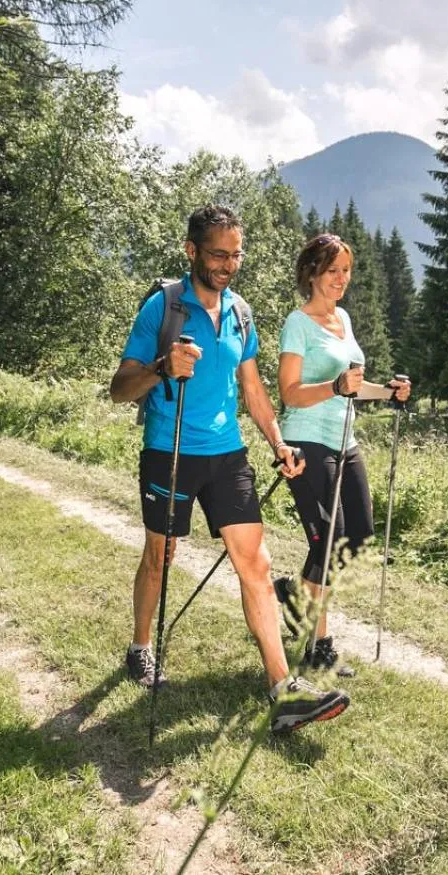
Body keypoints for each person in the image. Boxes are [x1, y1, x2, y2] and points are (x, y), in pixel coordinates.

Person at [109, 205, 351, 734]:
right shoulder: (162, 307)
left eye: (235, 254)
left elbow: (254, 389)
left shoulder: (241, 312)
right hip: (169, 452)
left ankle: (283, 691)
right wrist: (160, 367)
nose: (227, 264)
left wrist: (279, 441)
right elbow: (119, 387)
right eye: (218, 253)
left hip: (227, 453)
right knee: (161, 556)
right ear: (191, 250)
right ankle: (141, 644)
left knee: (257, 565)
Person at [275, 233, 411, 677]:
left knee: (360, 536)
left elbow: (352, 386)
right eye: (332, 270)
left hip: (345, 440)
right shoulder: (297, 324)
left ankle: (296, 595)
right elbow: (290, 394)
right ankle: (320, 645)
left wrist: (388, 394)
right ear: (312, 272)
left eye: (346, 270)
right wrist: (335, 387)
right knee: (330, 542)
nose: (341, 278)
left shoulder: (344, 319)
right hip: (307, 441)